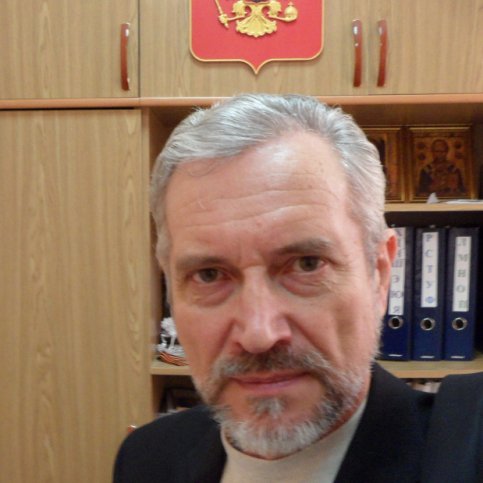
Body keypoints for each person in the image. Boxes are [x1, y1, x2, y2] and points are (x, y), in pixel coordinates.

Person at [114, 94, 483, 482]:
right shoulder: (146, 458)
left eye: (306, 265)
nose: (259, 335)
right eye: (208, 275)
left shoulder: (465, 450)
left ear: (379, 273)